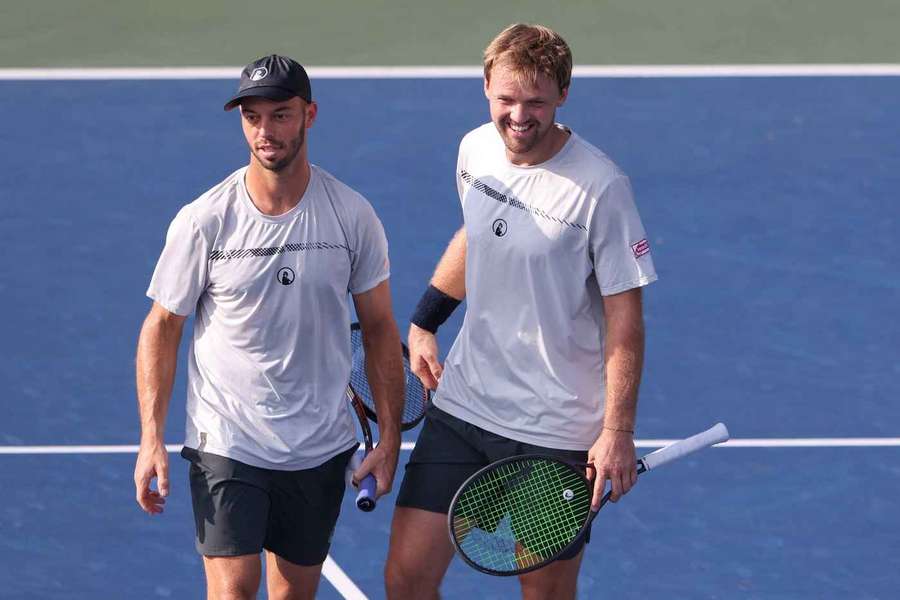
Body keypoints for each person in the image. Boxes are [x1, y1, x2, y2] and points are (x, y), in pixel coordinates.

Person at [384, 24, 658, 600]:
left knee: (545, 595)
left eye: (535, 101)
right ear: (486, 86)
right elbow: (480, 235)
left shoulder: (601, 188)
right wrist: (426, 318)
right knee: (406, 580)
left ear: (562, 94)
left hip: (554, 431)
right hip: (465, 406)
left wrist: (618, 431)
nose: (518, 115)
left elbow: (626, 323)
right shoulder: (474, 150)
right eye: (506, 99)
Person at [133, 54, 404, 600]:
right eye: (252, 117)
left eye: (280, 115)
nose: (265, 132)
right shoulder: (205, 219)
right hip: (227, 437)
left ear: (310, 115)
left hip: (319, 444)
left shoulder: (351, 215)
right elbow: (161, 326)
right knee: (233, 590)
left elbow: (378, 329)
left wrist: (391, 438)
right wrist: (151, 438)